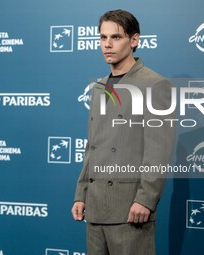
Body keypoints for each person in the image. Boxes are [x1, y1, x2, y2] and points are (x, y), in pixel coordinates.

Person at [71, 9, 175, 255]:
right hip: (95, 210)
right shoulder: (98, 88)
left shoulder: (154, 84)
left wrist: (145, 199)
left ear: (134, 40)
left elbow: (158, 151)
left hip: (130, 209)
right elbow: (93, 147)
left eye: (116, 37)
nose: (107, 44)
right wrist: (81, 193)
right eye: (103, 38)